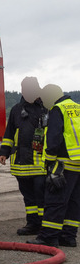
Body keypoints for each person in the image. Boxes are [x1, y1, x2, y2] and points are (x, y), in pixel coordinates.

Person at [26, 84, 80, 248]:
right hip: (77, 163)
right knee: (73, 201)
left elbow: (54, 137)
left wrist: (49, 162)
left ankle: (49, 237)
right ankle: (69, 236)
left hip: (63, 162)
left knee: (55, 200)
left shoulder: (58, 109)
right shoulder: (77, 107)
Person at [0, 76, 47, 236]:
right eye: (24, 89)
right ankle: (32, 224)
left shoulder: (46, 109)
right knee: (28, 197)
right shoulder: (17, 110)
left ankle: (45, 226)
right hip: (21, 163)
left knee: (41, 194)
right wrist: (4, 152)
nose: (26, 92)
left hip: (41, 163)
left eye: (29, 89)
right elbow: (9, 134)